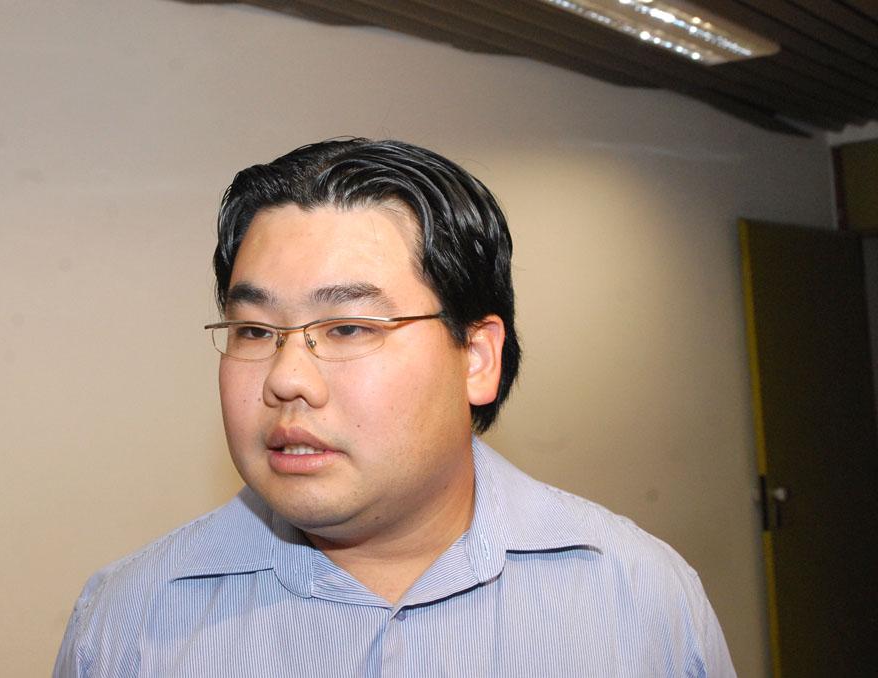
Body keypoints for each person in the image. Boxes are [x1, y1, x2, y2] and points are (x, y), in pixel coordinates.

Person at [54, 138, 735, 677]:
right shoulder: (125, 623)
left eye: (349, 328)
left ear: (477, 357)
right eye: (255, 331)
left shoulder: (639, 600)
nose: (287, 379)